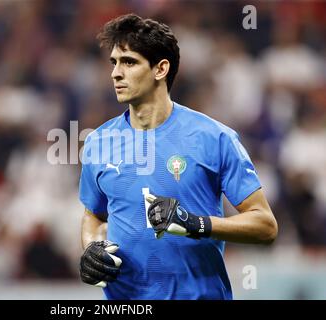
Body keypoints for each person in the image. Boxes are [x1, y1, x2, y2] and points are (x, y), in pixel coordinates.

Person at [78, 13, 278, 300]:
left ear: (161, 69)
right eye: (114, 63)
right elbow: (93, 216)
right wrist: (91, 248)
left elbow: (265, 225)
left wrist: (196, 224)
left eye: (129, 62)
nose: (116, 73)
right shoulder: (98, 142)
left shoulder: (214, 138)